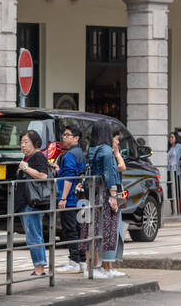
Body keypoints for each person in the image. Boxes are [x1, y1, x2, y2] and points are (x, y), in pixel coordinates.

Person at [78, 116, 122, 278]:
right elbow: (109, 174)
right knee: (102, 229)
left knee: (90, 228)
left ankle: (92, 267)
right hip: (102, 193)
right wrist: (113, 195)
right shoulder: (106, 150)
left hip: (91, 192)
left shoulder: (91, 149)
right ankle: (95, 268)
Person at [16, 129, 50, 278]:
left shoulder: (38, 156)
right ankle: (39, 266)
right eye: (21, 142)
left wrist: (25, 168)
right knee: (34, 234)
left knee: (33, 235)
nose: (23, 145)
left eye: (26, 142)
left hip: (32, 203)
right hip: (26, 202)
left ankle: (39, 268)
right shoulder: (28, 157)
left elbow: (43, 176)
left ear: (35, 143)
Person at [55, 124, 86, 274]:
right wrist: (58, 170)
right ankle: (81, 260)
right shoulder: (79, 152)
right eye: (64, 135)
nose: (64, 137)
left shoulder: (69, 155)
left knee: (70, 230)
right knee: (78, 229)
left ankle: (74, 261)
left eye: (67, 135)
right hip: (78, 198)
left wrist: (63, 198)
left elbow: (69, 177)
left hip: (70, 199)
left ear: (76, 138)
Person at [111, 129, 128, 275]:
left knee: (118, 231)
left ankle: (111, 264)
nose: (118, 143)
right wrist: (117, 154)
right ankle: (108, 266)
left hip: (117, 193)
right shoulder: (109, 154)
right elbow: (122, 167)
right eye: (116, 139)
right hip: (112, 195)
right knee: (114, 230)